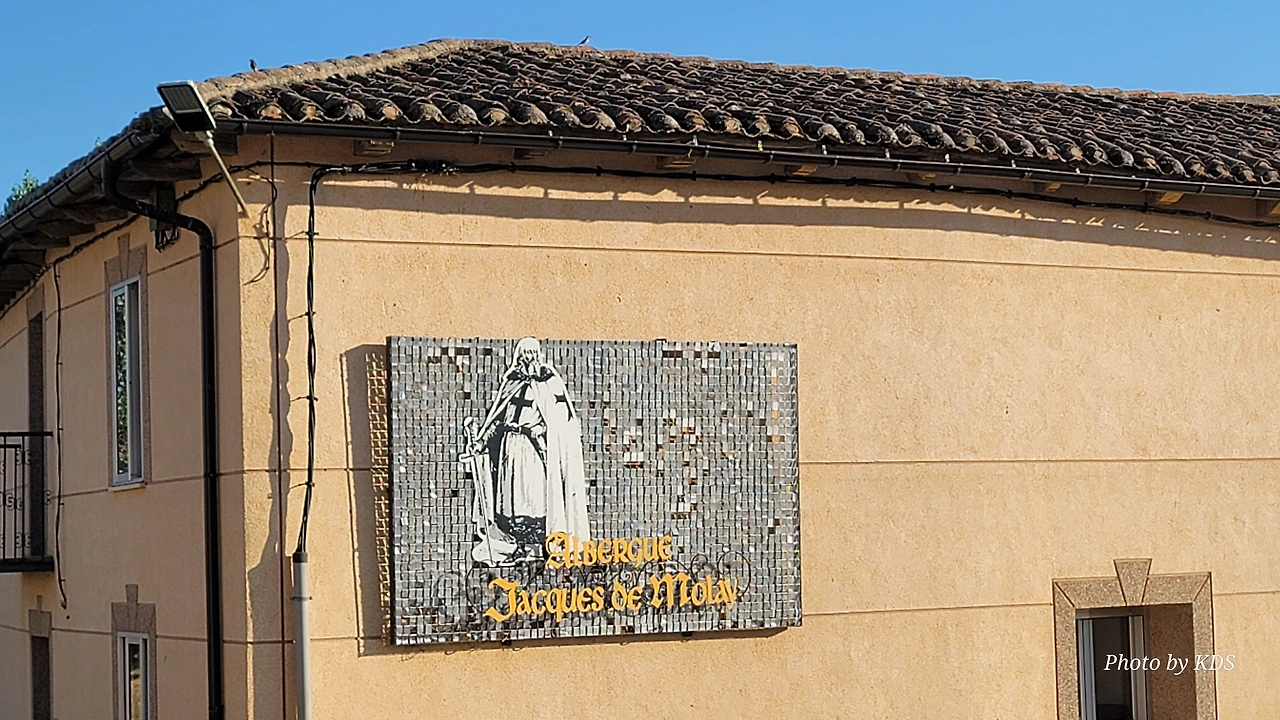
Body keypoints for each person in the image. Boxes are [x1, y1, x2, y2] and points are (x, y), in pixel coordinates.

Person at [463, 337, 589, 565]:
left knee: (534, 498)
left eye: (532, 353)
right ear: (519, 355)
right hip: (510, 449)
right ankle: (517, 545)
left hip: (533, 450)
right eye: (524, 353)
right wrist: (481, 442)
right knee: (511, 500)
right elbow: (497, 417)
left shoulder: (548, 381)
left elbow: (560, 420)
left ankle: (537, 547)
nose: (528, 358)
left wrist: (542, 430)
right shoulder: (512, 381)